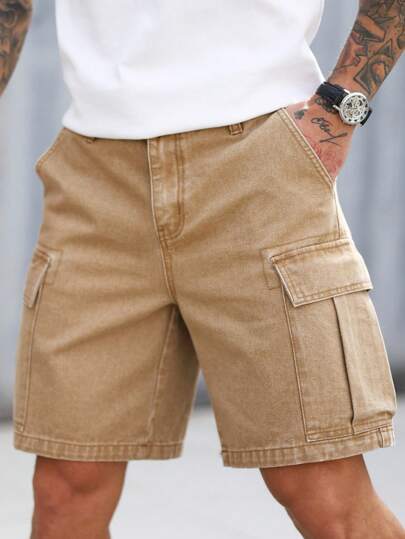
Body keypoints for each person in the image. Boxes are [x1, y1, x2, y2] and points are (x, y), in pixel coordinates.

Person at [3, 1, 405, 537]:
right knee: (65, 489)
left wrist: (340, 105)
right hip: (95, 172)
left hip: (259, 165)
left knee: (321, 489)